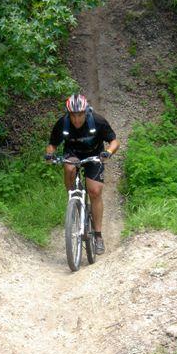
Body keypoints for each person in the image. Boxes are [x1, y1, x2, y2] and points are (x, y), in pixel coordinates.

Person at [45, 94, 120, 254]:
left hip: (94, 155)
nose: (77, 119)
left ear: (85, 112)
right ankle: (72, 198)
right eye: (73, 115)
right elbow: (52, 144)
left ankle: (98, 235)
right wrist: (50, 155)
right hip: (73, 154)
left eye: (80, 115)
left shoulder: (97, 121)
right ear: (68, 114)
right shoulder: (62, 124)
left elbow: (114, 141)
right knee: (69, 168)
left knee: (94, 191)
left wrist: (108, 152)